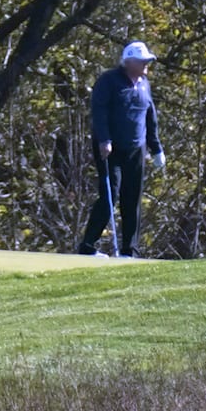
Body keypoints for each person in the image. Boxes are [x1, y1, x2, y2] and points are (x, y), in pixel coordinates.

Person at [76, 41, 165, 257]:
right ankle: (87, 246)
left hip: (136, 148)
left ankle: (129, 251)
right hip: (110, 148)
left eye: (148, 61)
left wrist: (156, 149)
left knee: (132, 199)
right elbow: (99, 112)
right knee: (110, 195)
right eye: (142, 61)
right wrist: (104, 139)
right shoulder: (109, 81)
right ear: (128, 62)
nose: (146, 65)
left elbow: (150, 118)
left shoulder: (144, 84)